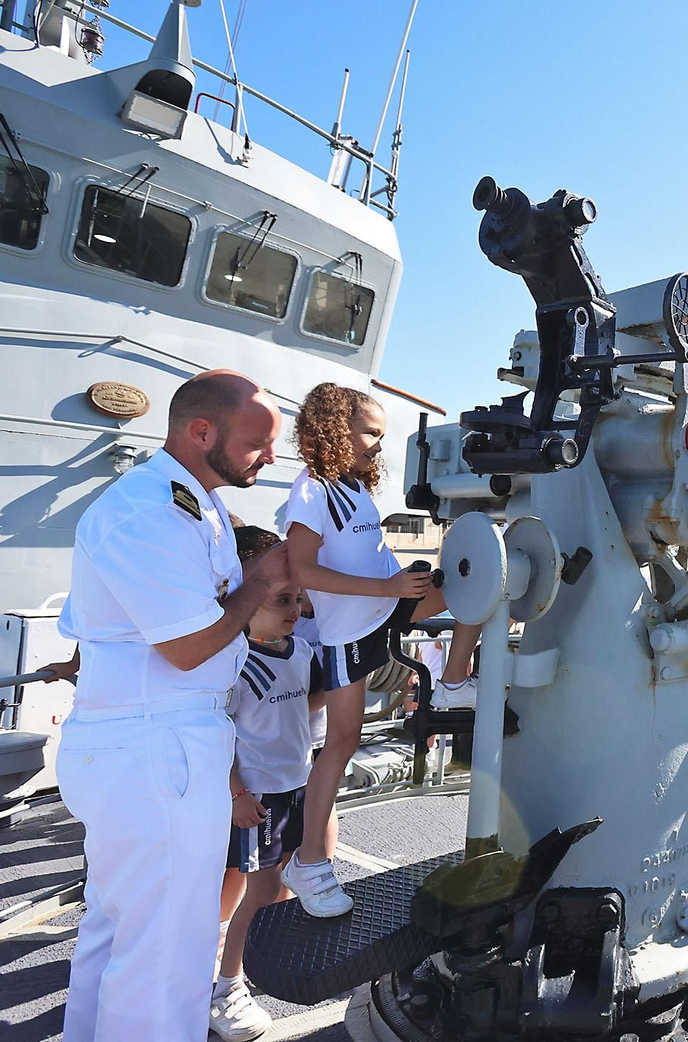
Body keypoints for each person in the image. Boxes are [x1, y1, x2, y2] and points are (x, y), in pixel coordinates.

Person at [50, 370, 289, 1042]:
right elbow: (187, 646)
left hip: (156, 741)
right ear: (201, 432)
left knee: (120, 925)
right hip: (155, 745)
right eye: (255, 443)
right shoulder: (149, 510)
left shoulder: (193, 503)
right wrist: (259, 584)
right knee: (166, 950)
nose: (268, 458)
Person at [280, 383, 483, 918]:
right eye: (370, 433)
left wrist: (403, 580)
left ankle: (456, 681)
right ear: (333, 429)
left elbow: (365, 557)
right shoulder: (313, 489)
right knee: (341, 743)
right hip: (350, 631)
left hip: (385, 607)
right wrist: (389, 590)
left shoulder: (353, 488)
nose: (377, 445)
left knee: (480, 581)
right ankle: (309, 864)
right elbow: (302, 570)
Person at [211, 527, 322, 1041]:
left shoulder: (299, 652)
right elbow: (220, 736)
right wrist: (236, 793)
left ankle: (229, 959)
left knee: (263, 886)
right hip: (259, 797)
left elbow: (302, 708)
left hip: (297, 788)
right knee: (260, 892)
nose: (295, 608)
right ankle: (226, 987)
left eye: (297, 599)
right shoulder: (234, 665)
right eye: (282, 600)